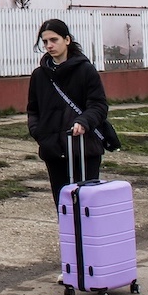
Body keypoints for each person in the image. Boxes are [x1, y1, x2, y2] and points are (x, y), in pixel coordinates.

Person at [27, 18, 111, 206]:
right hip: (53, 149)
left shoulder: (86, 70)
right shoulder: (39, 75)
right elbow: (33, 110)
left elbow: (99, 105)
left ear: (67, 40)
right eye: (45, 41)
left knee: (85, 205)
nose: (49, 45)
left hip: (84, 147)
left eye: (54, 40)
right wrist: (39, 133)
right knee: (63, 205)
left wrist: (84, 121)